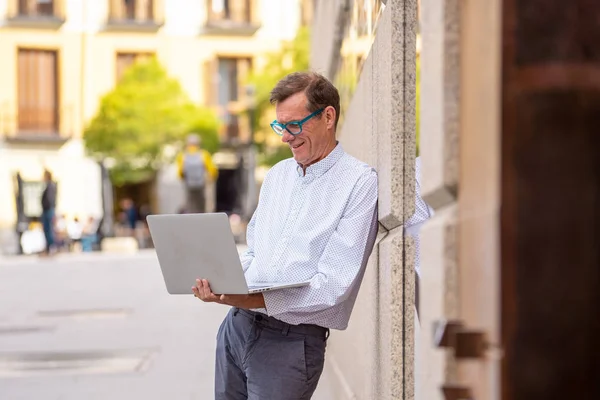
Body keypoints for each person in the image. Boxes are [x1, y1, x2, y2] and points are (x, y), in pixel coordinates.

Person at [192, 72, 379, 399]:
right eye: (280, 126)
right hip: (236, 329)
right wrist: (224, 279)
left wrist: (248, 298)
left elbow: (332, 288)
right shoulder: (277, 176)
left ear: (328, 117)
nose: (285, 137)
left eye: (294, 125)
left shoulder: (359, 184)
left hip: (290, 343)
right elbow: (255, 253)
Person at [176, 134, 218, 213]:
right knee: (201, 205)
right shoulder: (204, 154)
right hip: (201, 185)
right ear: (198, 144)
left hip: (189, 185)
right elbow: (213, 170)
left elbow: (180, 173)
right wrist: (210, 179)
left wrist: (185, 178)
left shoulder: (183, 156)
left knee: (190, 205)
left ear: (188, 144)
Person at [40, 169, 57, 256]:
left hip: (48, 210)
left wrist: (51, 210)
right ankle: (49, 248)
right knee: (47, 230)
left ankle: (51, 248)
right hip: (48, 210)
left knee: (49, 230)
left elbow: (50, 199)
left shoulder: (50, 185)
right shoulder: (48, 185)